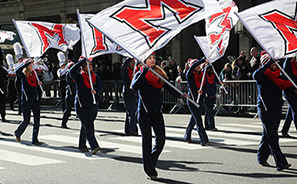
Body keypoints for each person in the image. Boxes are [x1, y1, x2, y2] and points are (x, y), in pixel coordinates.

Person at [131, 53, 187, 180]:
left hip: (157, 113)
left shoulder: (159, 74)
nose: (152, 60)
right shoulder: (141, 74)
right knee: (147, 142)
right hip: (144, 113)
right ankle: (149, 170)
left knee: (161, 140)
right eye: (149, 58)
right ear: (144, 60)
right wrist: (144, 71)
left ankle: (150, 160)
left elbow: (169, 87)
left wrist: (181, 95)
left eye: (153, 58)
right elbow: (134, 86)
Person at [253, 52, 295, 171]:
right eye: (272, 63)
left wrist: (294, 89)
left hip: (276, 109)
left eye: (275, 62)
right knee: (273, 136)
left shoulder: (278, 75)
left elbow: (286, 86)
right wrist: (267, 63)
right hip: (265, 109)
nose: (274, 65)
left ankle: (261, 158)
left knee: (267, 135)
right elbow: (255, 75)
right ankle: (281, 162)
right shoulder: (262, 75)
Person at [69, 57, 103, 154]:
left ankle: (82, 144)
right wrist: (82, 61)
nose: (91, 67)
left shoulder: (95, 77)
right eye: (88, 65)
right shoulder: (79, 77)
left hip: (93, 105)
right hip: (82, 105)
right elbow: (71, 72)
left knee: (85, 125)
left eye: (91, 65)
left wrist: (96, 91)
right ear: (83, 67)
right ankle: (94, 145)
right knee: (89, 126)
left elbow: (100, 85)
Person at [14, 59, 42, 145]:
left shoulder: (35, 74)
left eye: (32, 64)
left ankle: (35, 139)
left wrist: (39, 83)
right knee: (26, 120)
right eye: (30, 65)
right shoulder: (23, 75)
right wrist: (25, 63)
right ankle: (18, 133)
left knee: (37, 120)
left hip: (35, 99)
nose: (32, 66)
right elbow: (17, 71)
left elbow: (37, 85)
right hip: (26, 100)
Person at [184, 59, 210, 146]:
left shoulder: (202, 75)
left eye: (199, 66)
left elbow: (207, 86)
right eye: (196, 66)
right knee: (198, 120)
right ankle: (204, 140)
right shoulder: (190, 75)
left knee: (194, 119)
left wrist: (203, 90)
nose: (199, 67)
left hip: (200, 100)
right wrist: (203, 60)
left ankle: (187, 136)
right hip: (192, 100)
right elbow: (192, 67)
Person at [122, 57, 138, 135]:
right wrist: (131, 56)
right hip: (127, 94)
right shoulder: (126, 71)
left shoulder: (136, 72)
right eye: (131, 63)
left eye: (134, 63)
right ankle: (134, 130)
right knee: (131, 112)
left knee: (130, 112)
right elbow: (124, 65)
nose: (133, 65)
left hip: (134, 94)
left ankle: (127, 129)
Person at [281, 57, 297, 137]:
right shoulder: (287, 64)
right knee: (295, 110)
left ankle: (284, 130)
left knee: (291, 112)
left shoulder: (294, 63)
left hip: (295, 90)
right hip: (289, 90)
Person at [204, 65, 221, 131]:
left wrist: (220, 82)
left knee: (208, 111)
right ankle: (212, 126)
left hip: (212, 94)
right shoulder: (204, 75)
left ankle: (207, 126)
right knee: (210, 110)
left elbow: (217, 80)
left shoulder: (213, 75)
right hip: (206, 95)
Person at [61, 60, 75, 129]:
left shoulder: (77, 73)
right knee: (68, 109)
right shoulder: (68, 73)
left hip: (76, 93)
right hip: (70, 93)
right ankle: (63, 123)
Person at [13, 42, 24, 115]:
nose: (21, 59)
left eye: (21, 58)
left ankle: (24, 109)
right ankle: (20, 110)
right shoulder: (15, 65)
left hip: (24, 80)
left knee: (24, 95)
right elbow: (16, 70)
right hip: (18, 80)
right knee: (20, 95)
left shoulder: (24, 64)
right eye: (19, 59)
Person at [0, 47, 8, 122]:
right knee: (2, 103)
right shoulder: (3, 71)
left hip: (1, 87)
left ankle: (3, 116)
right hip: (2, 87)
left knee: (2, 103)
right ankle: (3, 116)